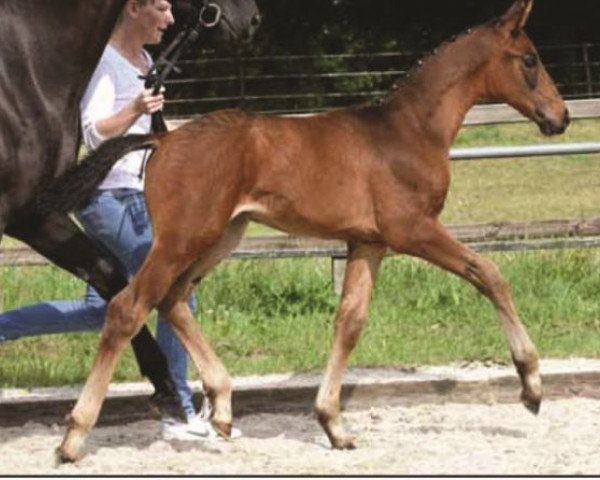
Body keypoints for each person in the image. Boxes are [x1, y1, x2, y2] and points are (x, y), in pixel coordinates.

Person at [0, 0, 221, 442]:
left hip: (137, 196)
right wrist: (136, 109)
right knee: (169, 290)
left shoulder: (143, 61)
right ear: (133, 9)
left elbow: (153, 132)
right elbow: (95, 132)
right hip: (107, 196)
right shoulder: (103, 62)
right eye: (161, 6)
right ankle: (176, 406)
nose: (171, 18)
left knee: (104, 303)